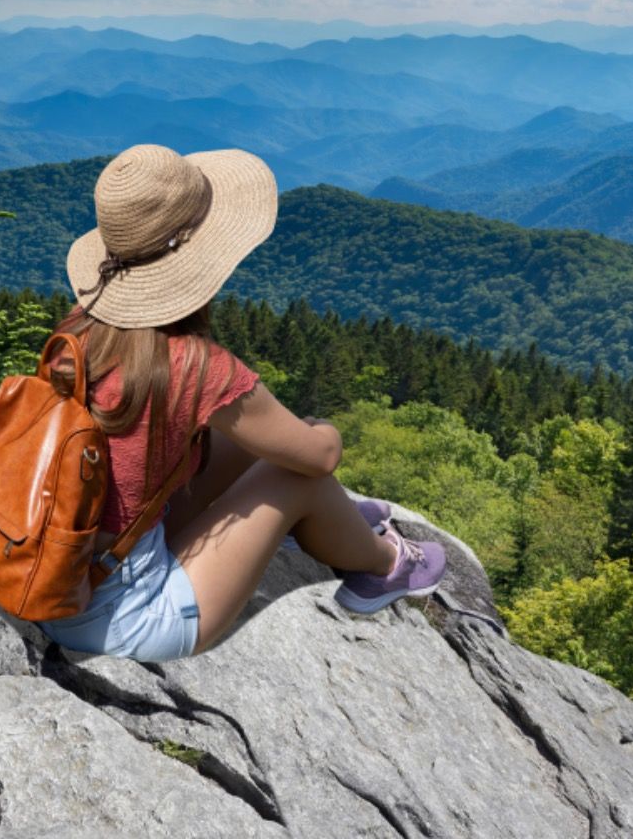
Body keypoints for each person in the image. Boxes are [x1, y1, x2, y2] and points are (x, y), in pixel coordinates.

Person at [33, 144, 447, 662]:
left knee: (253, 442)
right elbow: (320, 458)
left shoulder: (79, 332)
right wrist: (328, 433)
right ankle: (388, 565)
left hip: (57, 578)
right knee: (299, 469)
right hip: (123, 617)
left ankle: (330, 522)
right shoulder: (192, 363)